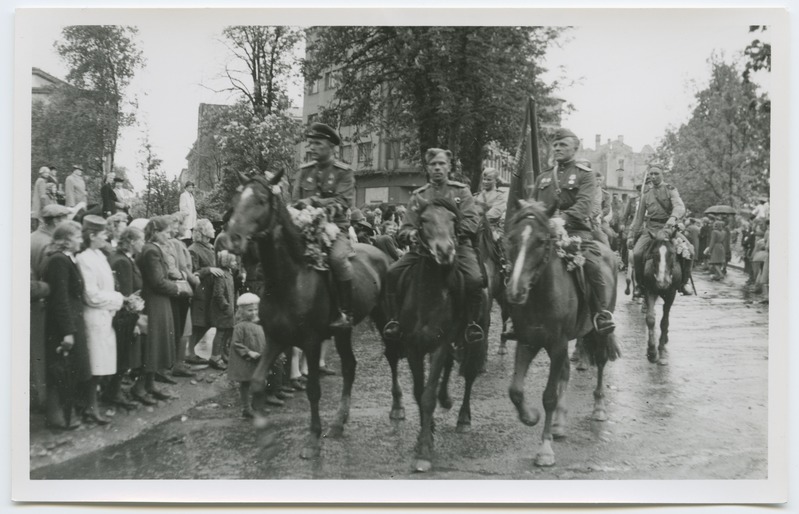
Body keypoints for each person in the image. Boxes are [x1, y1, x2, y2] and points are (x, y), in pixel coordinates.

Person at [382, 147, 485, 345]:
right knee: (393, 273)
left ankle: (472, 323)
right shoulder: (419, 196)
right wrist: (411, 234)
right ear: (427, 169)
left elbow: (472, 221)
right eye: (433, 165)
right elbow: (405, 228)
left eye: (442, 164)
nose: (437, 168)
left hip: (458, 247)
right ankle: (395, 319)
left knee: (474, 279)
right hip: (424, 251)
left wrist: (451, 235)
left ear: (449, 167)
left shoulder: (461, 192)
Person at [531, 128, 616, 334]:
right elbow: (532, 204)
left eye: (563, 145)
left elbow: (584, 205)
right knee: (519, 261)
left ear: (575, 149)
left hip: (576, 232)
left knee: (594, 265)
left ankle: (600, 313)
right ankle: (516, 316)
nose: (558, 148)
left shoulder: (585, 175)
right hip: (544, 233)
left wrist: (562, 219)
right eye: (556, 145)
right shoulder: (543, 177)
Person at [292, 122, 356, 329]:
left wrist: (314, 204)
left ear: (331, 147)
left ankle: (345, 311)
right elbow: (295, 202)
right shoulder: (303, 171)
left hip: (335, 228)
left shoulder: (343, 172)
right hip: (304, 227)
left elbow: (343, 202)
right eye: (310, 144)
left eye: (317, 144)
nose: (311, 148)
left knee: (337, 259)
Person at [75, 215, 124, 425]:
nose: (106, 236)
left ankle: (91, 405)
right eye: (103, 233)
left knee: (102, 363)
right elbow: (91, 295)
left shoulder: (99, 255)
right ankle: (90, 406)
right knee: (94, 365)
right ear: (92, 235)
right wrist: (118, 299)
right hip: (94, 317)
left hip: (105, 315)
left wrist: (113, 300)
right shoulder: (84, 258)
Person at [41, 220, 90, 430]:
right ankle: (56, 415)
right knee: (59, 369)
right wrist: (68, 332)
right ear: (66, 240)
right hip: (62, 323)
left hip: (72, 318)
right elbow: (60, 299)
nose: (81, 240)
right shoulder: (59, 260)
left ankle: (65, 413)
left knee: (70, 368)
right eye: (77, 237)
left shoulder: (68, 258)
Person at [134, 216, 185, 404]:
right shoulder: (151, 251)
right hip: (154, 301)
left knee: (157, 343)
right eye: (165, 232)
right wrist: (177, 288)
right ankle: (140, 387)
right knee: (152, 344)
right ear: (155, 232)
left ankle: (149, 384)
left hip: (158, 301)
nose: (169, 234)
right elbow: (157, 282)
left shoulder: (152, 249)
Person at [627, 164, 692, 296]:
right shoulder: (646, 194)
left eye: (656, 173)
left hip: (668, 229)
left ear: (662, 175)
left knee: (689, 250)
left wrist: (672, 219)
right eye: (651, 174)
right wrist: (632, 235)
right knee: (637, 254)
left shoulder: (670, 190)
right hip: (650, 230)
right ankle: (639, 285)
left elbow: (679, 207)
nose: (653, 176)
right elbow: (639, 218)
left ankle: (684, 283)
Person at [106, 226, 146, 410]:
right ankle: (114, 393)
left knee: (122, 354)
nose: (143, 244)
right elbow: (126, 294)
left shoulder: (126, 258)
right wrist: (135, 320)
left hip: (124, 313)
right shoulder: (122, 261)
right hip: (124, 315)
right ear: (131, 241)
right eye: (141, 240)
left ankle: (115, 391)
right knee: (122, 354)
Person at [166, 213, 198, 378]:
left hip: (183, 288)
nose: (185, 227)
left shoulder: (177, 243)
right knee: (183, 329)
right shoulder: (172, 243)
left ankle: (179, 363)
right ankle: (177, 364)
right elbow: (178, 269)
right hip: (181, 290)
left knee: (185, 329)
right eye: (182, 224)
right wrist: (191, 279)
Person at [187, 219, 222, 365]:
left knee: (207, 322)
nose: (214, 230)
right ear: (202, 232)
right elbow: (192, 272)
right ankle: (189, 353)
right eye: (211, 228)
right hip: (201, 291)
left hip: (209, 290)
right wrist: (209, 270)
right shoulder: (193, 249)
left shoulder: (209, 246)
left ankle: (190, 352)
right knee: (199, 322)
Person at [227, 293, 268, 418]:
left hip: (258, 359)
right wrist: (248, 352)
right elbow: (236, 343)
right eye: (250, 310)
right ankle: (246, 409)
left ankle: (256, 407)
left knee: (260, 381)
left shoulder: (259, 324)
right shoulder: (240, 327)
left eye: (256, 309)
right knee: (245, 384)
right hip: (245, 360)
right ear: (242, 311)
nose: (254, 312)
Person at [209, 251, 236, 370]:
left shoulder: (229, 274)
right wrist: (225, 306)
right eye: (233, 261)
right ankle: (215, 357)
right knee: (220, 333)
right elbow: (218, 294)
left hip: (228, 310)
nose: (235, 263)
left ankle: (223, 354)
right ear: (228, 262)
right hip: (223, 310)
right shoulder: (221, 275)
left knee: (225, 333)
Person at [473, 167, 507, 240]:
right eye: (484, 179)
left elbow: (495, 212)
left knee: (497, 242)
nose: (485, 182)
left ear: (496, 181)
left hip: (491, 228)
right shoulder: (477, 195)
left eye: (489, 180)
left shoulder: (499, 196)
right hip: (474, 225)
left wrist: (479, 221)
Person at [179, 181, 197, 246]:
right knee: (186, 235)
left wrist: (194, 214)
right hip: (187, 218)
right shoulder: (183, 195)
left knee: (192, 234)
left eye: (192, 187)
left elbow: (193, 208)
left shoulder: (191, 196)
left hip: (192, 218)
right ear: (186, 188)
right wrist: (188, 213)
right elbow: (182, 207)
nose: (191, 188)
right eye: (189, 187)